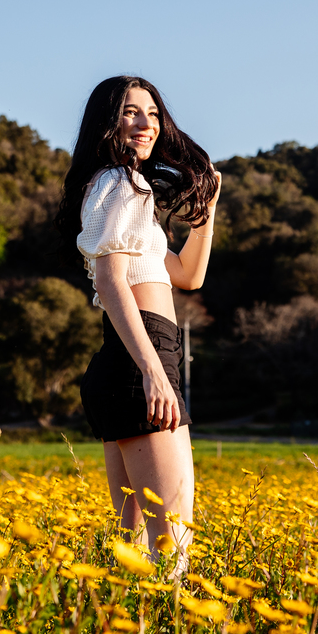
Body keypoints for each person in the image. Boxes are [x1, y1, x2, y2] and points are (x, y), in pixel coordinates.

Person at [56, 76, 220, 571]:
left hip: (130, 359)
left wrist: (206, 208)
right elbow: (110, 283)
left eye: (150, 112)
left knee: (131, 555)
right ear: (107, 122)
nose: (144, 123)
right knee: (173, 548)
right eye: (130, 111)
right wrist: (152, 371)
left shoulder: (129, 194)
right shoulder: (121, 184)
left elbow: (189, 276)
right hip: (140, 356)